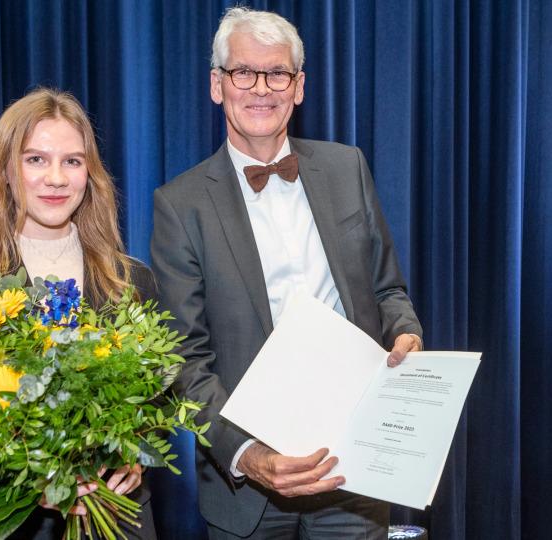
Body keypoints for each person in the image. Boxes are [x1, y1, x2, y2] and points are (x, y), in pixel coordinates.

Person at [150, 7, 423, 540]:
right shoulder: (179, 204)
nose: (261, 88)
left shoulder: (349, 168)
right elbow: (183, 357)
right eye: (243, 72)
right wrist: (248, 455)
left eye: (277, 73)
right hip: (247, 489)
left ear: (298, 87)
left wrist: (404, 331)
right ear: (216, 85)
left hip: (353, 464)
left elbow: (388, 288)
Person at [0, 87, 157, 539]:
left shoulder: (131, 282)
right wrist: (29, 477)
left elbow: (154, 402)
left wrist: (133, 452)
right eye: (36, 159)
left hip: (115, 519)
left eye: (73, 161)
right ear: (5, 170)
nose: (56, 178)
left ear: (89, 174)